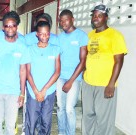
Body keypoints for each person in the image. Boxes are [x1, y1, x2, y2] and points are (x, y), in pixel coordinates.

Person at [82, 4, 128, 135]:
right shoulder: (90, 35)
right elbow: (87, 55)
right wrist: (85, 72)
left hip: (105, 84)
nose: (96, 18)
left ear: (106, 17)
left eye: (99, 16)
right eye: (94, 15)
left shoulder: (115, 35)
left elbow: (119, 61)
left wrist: (111, 83)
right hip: (88, 83)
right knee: (88, 116)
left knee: (104, 120)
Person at [0, 11, 30, 135]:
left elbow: (23, 71)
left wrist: (22, 93)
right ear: (3, 28)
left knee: (11, 126)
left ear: (17, 27)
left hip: (14, 92)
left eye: (13, 25)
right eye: (7, 26)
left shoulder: (23, 47)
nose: (10, 28)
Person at [25, 21, 61, 135]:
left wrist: (44, 90)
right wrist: (36, 91)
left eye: (46, 34)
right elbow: (27, 72)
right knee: (31, 121)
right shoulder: (30, 49)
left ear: (50, 34)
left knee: (46, 121)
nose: (44, 36)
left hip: (49, 91)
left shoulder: (55, 49)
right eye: (41, 34)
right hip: (33, 91)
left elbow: (57, 71)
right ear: (37, 34)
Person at [56, 9, 88, 135]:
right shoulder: (60, 37)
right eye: (61, 20)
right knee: (60, 108)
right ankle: (62, 132)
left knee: (69, 109)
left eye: (66, 19)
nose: (63, 22)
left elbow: (83, 61)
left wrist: (70, 81)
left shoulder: (81, 36)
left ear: (72, 19)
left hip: (74, 79)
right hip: (60, 77)